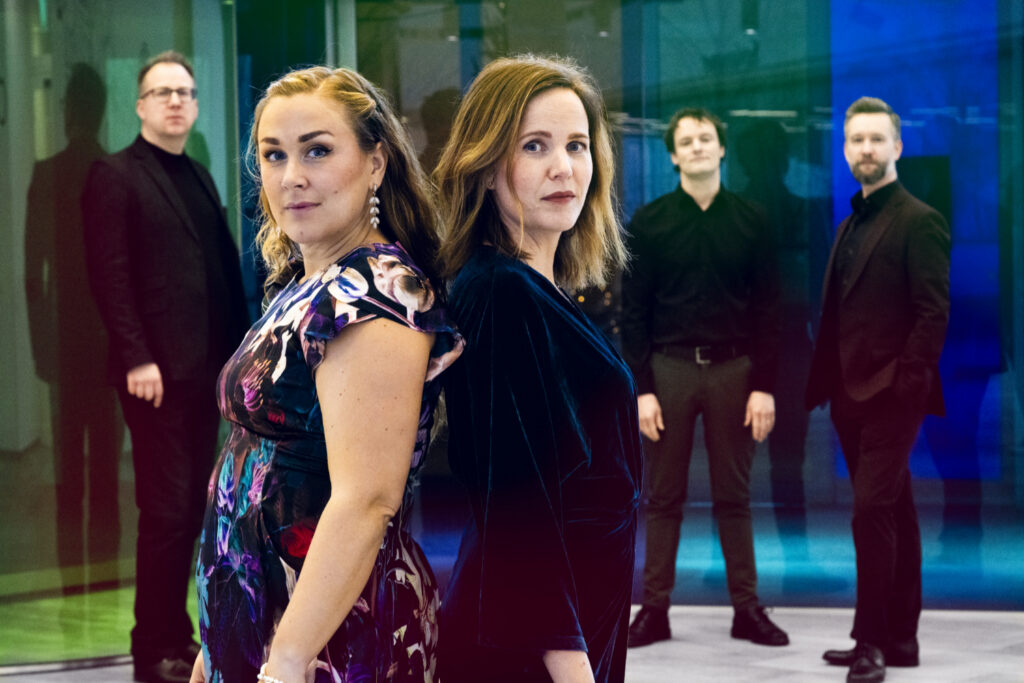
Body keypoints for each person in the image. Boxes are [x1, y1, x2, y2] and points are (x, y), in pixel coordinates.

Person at [189, 66, 462, 683]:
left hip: (329, 643)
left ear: (376, 163)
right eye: (273, 155)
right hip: (265, 625)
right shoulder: (308, 283)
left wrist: (286, 660)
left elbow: (367, 501)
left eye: (317, 150)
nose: (292, 176)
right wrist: (217, 636)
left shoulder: (375, 293)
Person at [434, 54, 642, 683]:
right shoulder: (501, 292)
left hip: (569, 617)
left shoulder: (535, 287)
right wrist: (573, 668)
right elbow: (517, 507)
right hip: (531, 645)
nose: (563, 167)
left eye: (577, 145)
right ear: (484, 167)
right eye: (534, 146)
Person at [82, 50, 249, 683]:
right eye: (163, 92)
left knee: (193, 513)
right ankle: (153, 650)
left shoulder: (198, 174)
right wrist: (136, 357)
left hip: (205, 375)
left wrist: (241, 360)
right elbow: (110, 274)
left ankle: (180, 640)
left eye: (185, 92)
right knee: (167, 513)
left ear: (196, 105)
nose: (176, 101)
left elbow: (219, 273)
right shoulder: (115, 174)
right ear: (140, 105)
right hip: (155, 378)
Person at [620, 107, 788, 648]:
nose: (696, 147)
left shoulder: (752, 220)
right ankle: (654, 610)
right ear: (673, 155)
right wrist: (643, 391)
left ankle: (747, 610)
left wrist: (764, 386)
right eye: (686, 141)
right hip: (668, 370)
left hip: (735, 370)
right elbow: (633, 312)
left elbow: (770, 309)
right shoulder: (649, 222)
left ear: (721, 149)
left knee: (734, 496)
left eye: (705, 138)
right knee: (663, 496)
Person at [806, 96, 950, 683]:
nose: (865, 148)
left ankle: (870, 643)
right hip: (848, 394)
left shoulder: (920, 220)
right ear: (845, 150)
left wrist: (908, 384)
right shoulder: (849, 223)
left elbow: (932, 313)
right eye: (856, 140)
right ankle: (901, 638)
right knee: (896, 509)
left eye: (876, 139)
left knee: (870, 513)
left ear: (897, 146)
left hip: (892, 394)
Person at [25, 63, 123, 590]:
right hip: (108, 344)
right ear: (101, 112)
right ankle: (105, 582)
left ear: (68, 112)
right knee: (105, 467)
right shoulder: (116, 174)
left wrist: (42, 348)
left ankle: (67, 584)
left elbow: (32, 276)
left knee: (69, 473)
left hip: (64, 343)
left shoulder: (48, 174)